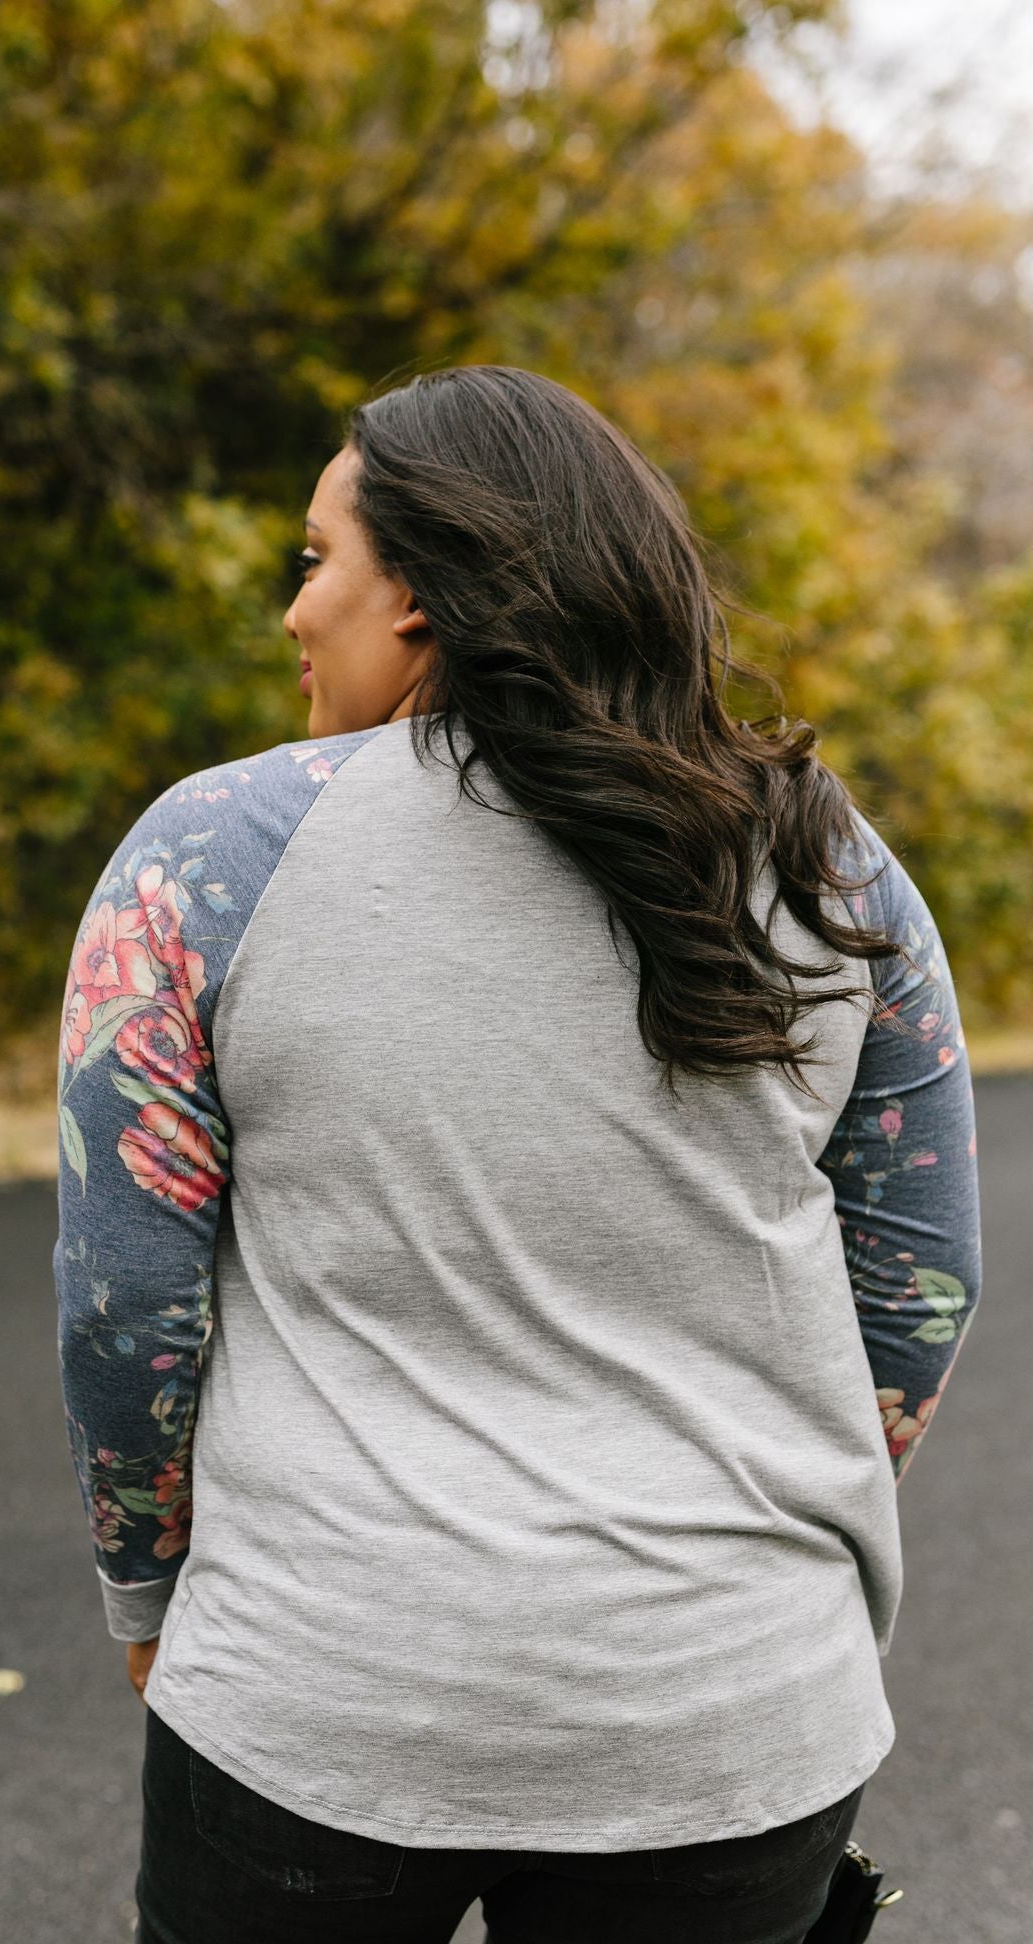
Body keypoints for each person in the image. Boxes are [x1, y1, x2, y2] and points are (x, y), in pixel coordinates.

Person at [53, 365, 982, 1944]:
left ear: (416, 592)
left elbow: (125, 1306)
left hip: (321, 1697)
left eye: (316, 560)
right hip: (733, 1704)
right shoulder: (824, 859)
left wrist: (147, 1586)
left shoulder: (205, 861)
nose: (294, 612)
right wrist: (755, 1546)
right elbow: (921, 1281)